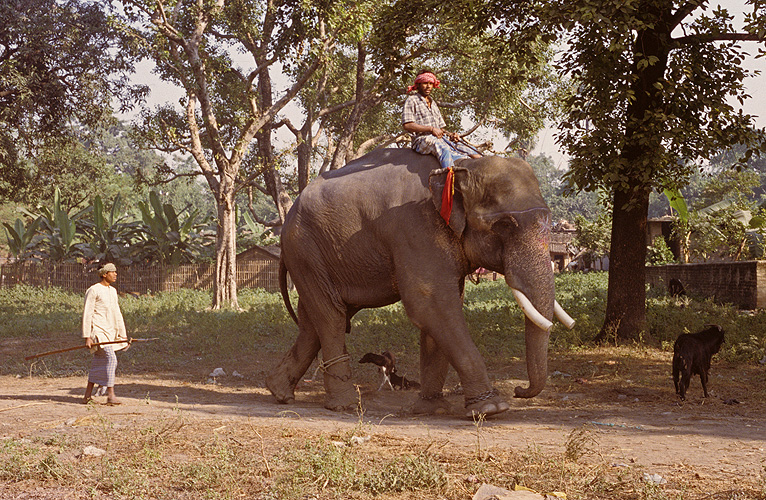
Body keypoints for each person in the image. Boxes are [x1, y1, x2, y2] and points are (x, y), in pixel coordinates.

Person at [401, 71, 481, 171]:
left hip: (440, 138)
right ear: (418, 84)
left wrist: (451, 135)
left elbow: (441, 129)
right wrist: (431, 129)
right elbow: (407, 125)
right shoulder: (412, 100)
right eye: (425, 83)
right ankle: (449, 179)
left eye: (430, 83)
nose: (428, 86)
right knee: (443, 148)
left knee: (470, 150)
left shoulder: (433, 102)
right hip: (422, 139)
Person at [82, 263, 129, 405]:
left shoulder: (112, 291)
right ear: (104, 274)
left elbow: (117, 313)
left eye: (116, 272)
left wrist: (123, 335)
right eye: (112, 272)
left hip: (109, 331)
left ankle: (87, 396)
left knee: (99, 362)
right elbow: (87, 313)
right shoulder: (93, 290)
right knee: (111, 359)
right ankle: (110, 395)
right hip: (98, 331)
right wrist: (87, 336)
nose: (115, 274)